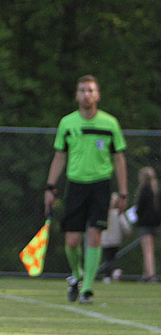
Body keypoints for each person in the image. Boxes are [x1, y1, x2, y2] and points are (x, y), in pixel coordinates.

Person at [44, 75, 128, 304]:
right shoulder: (67, 123)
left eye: (90, 90)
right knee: (72, 242)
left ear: (97, 95)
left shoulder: (109, 123)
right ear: (77, 95)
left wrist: (123, 192)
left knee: (94, 236)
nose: (86, 94)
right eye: (82, 90)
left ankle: (88, 289)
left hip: (100, 185)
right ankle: (78, 275)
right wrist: (50, 187)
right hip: (76, 185)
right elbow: (59, 156)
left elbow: (119, 158)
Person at [98, 192, 131, 283]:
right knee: (111, 258)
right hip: (116, 240)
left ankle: (113, 272)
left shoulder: (104, 214)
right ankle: (108, 276)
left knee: (107, 259)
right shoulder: (118, 213)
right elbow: (125, 226)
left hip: (105, 240)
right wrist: (128, 234)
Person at [135, 167, 161, 283]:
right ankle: (145, 275)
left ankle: (151, 275)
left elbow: (139, 210)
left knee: (147, 251)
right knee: (151, 250)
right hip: (156, 224)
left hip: (144, 225)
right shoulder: (156, 191)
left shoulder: (143, 192)